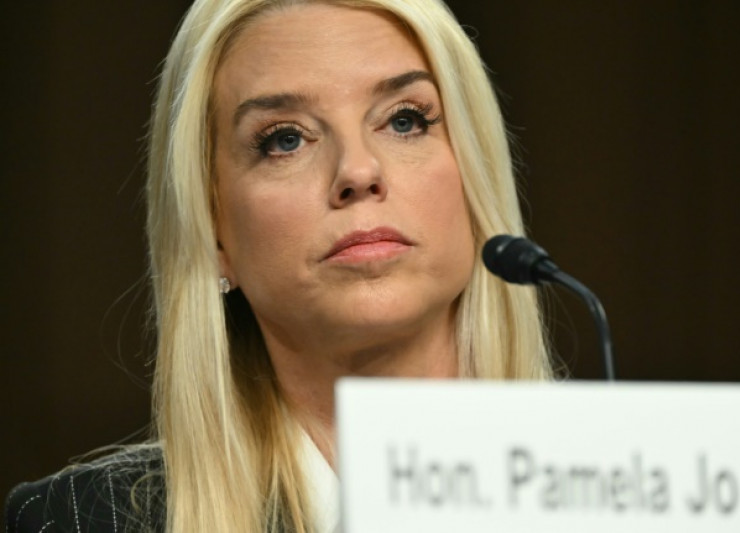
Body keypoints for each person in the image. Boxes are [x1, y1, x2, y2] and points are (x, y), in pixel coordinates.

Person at [4, 0, 554, 531]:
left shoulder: (599, 489)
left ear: (476, 175)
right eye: (285, 140)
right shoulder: (76, 522)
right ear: (213, 229)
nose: (358, 171)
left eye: (405, 121)